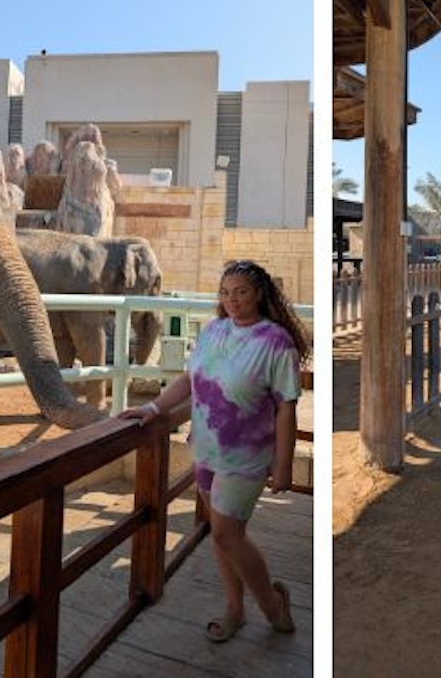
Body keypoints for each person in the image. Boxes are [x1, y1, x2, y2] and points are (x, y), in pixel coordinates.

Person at [121, 259, 311, 643]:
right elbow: (190, 381)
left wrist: (284, 465)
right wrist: (153, 408)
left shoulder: (276, 342)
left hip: (247, 456)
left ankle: (272, 604)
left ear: (259, 293)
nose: (232, 300)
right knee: (221, 534)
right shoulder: (212, 331)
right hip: (205, 449)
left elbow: (286, 407)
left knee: (227, 534)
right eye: (225, 293)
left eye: (241, 292)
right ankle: (235, 608)